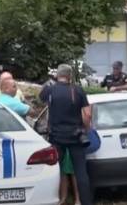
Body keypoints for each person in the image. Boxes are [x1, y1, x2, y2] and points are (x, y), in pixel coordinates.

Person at [39, 65, 93, 205]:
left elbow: (41, 97)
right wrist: (86, 130)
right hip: (76, 137)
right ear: (70, 76)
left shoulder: (50, 90)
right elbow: (87, 114)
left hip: (56, 137)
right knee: (81, 172)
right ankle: (85, 202)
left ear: (57, 75)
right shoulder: (78, 90)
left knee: (53, 170)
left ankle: (51, 200)